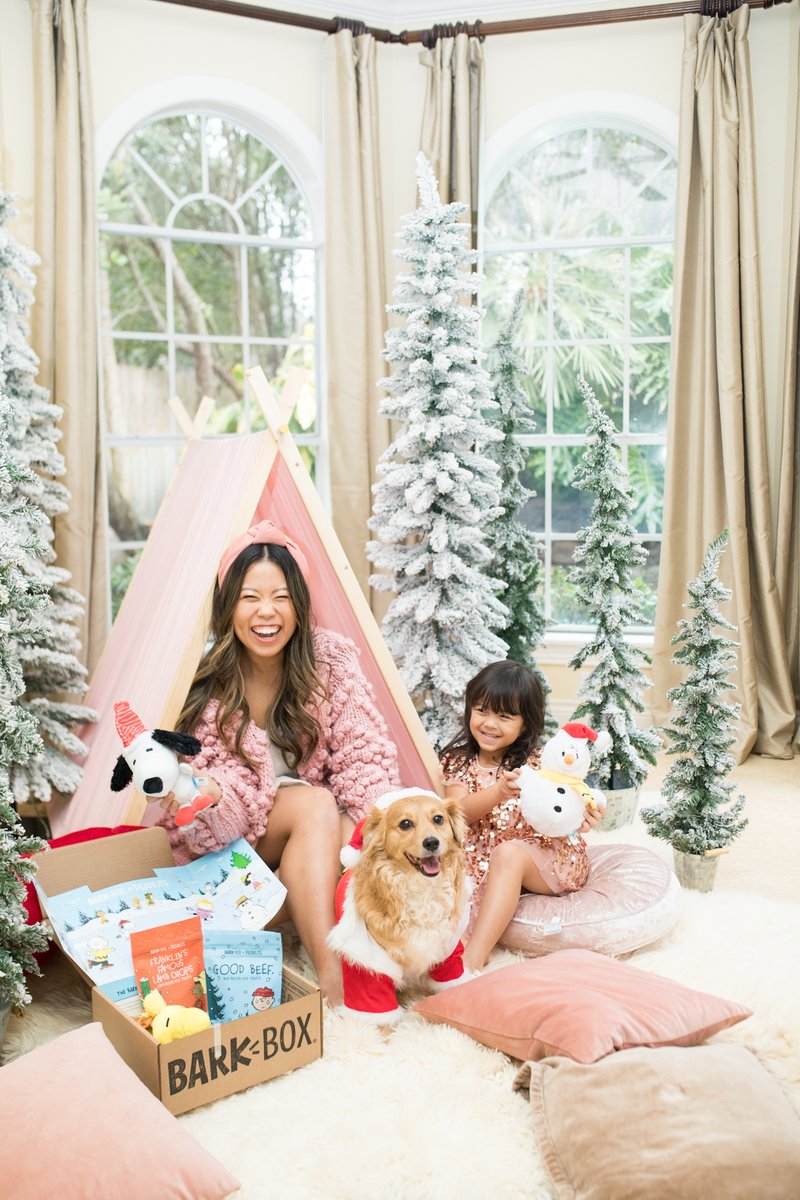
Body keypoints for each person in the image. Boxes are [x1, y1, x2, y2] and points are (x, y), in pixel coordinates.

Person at [153, 518, 401, 1005]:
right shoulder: (207, 679)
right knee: (314, 805)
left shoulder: (330, 658)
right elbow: (208, 814)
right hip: (233, 839)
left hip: (310, 836)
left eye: (281, 597)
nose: (266, 612)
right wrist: (215, 796)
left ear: (299, 604)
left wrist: (379, 827)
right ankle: (335, 983)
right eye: (250, 597)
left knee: (354, 822)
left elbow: (363, 755)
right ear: (230, 605)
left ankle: (267, 925)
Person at [439, 660, 601, 973]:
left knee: (509, 853)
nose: (489, 723)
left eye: (504, 716)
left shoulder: (541, 761)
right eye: (482, 710)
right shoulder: (457, 762)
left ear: (524, 723)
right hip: (481, 858)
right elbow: (454, 815)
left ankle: (473, 959)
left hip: (548, 854)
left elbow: (568, 803)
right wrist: (497, 792)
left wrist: (585, 817)